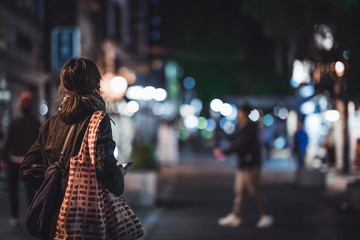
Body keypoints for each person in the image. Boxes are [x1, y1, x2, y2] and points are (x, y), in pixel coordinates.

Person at [19, 57, 125, 240]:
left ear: (65, 86)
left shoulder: (51, 124)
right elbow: (105, 166)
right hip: (87, 219)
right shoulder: (99, 120)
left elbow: (27, 169)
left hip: (55, 220)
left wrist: (54, 187)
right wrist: (118, 179)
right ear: (95, 86)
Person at [214, 104, 274, 228]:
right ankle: (235, 216)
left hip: (250, 165)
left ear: (245, 114)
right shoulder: (243, 128)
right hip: (243, 165)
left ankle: (266, 215)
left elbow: (240, 144)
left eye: (240, 114)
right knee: (239, 191)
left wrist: (224, 152)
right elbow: (235, 140)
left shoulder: (250, 129)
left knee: (255, 191)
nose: (238, 116)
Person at [1, 90, 40, 227]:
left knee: (16, 191)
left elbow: (7, 142)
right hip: (28, 162)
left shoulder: (15, 122)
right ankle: (30, 217)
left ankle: (15, 217)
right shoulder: (36, 123)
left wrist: (3, 159)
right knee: (30, 191)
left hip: (15, 161)